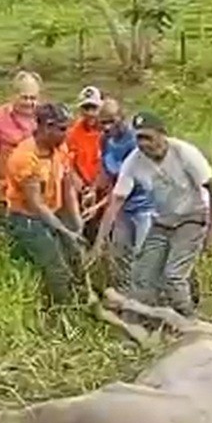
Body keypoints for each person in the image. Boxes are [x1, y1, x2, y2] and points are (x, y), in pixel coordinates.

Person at [92, 110, 212, 317]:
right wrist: (99, 242)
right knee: (141, 276)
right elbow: (116, 202)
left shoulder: (184, 153)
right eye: (139, 138)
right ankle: (141, 320)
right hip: (162, 221)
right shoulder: (134, 161)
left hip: (191, 218)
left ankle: (190, 320)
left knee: (173, 277)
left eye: (148, 137)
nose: (143, 144)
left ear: (162, 134)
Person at [3, 102, 85, 307]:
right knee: (57, 267)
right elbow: (36, 204)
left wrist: (76, 221)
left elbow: (67, 187)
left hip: (53, 210)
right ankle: (64, 312)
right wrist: (64, 231)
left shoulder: (59, 148)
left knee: (76, 255)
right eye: (62, 129)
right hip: (27, 217)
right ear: (47, 127)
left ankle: (81, 301)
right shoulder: (25, 157)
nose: (67, 134)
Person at [88, 96, 152, 296]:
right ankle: (125, 298)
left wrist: (99, 207)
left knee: (143, 256)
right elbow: (106, 170)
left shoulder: (134, 143)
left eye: (111, 121)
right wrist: (93, 190)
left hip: (144, 207)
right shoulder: (105, 139)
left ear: (122, 117)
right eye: (102, 122)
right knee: (120, 254)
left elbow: (122, 191)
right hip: (123, 207)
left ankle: (147, 299)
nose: (107, 127)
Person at [0, 70, 42, 237]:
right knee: (1, 233)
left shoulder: (43, 118)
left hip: (35, 188)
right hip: (4, 188)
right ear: (14, 95)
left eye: (33, 98)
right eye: (24, 98)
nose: (29, 103)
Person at [66, 85, 106, 243]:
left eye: (94, 108)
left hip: (104, 188)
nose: (90, 113)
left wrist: (96, 187)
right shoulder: (72, 133)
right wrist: (80, 185)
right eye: (86, 108)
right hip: (82, 190)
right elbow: (68, 163)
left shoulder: (108, 131)